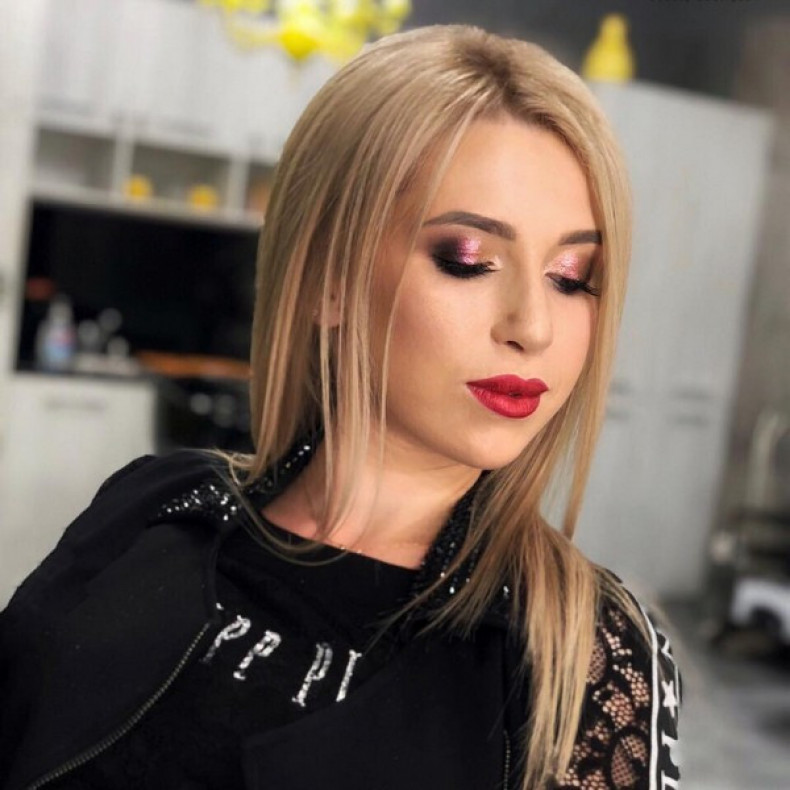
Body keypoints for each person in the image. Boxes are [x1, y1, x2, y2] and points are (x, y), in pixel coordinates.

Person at [0, 24, 681, 790]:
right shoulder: (151, 503)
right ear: (328, 275)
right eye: (468, 261)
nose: (534, 326)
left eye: (572, 276)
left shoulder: (586, 651)